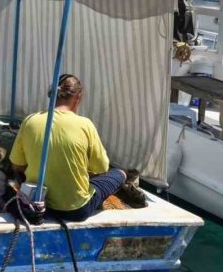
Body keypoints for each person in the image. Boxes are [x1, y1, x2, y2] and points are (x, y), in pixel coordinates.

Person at [9, 74, 144, 222]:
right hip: (76, 210)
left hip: (37, 204)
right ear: (78, 97)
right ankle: (126, 177)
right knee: (119, 173)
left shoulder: (30, 121)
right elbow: (101, 168)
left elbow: (17, 165)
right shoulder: (85, 125)